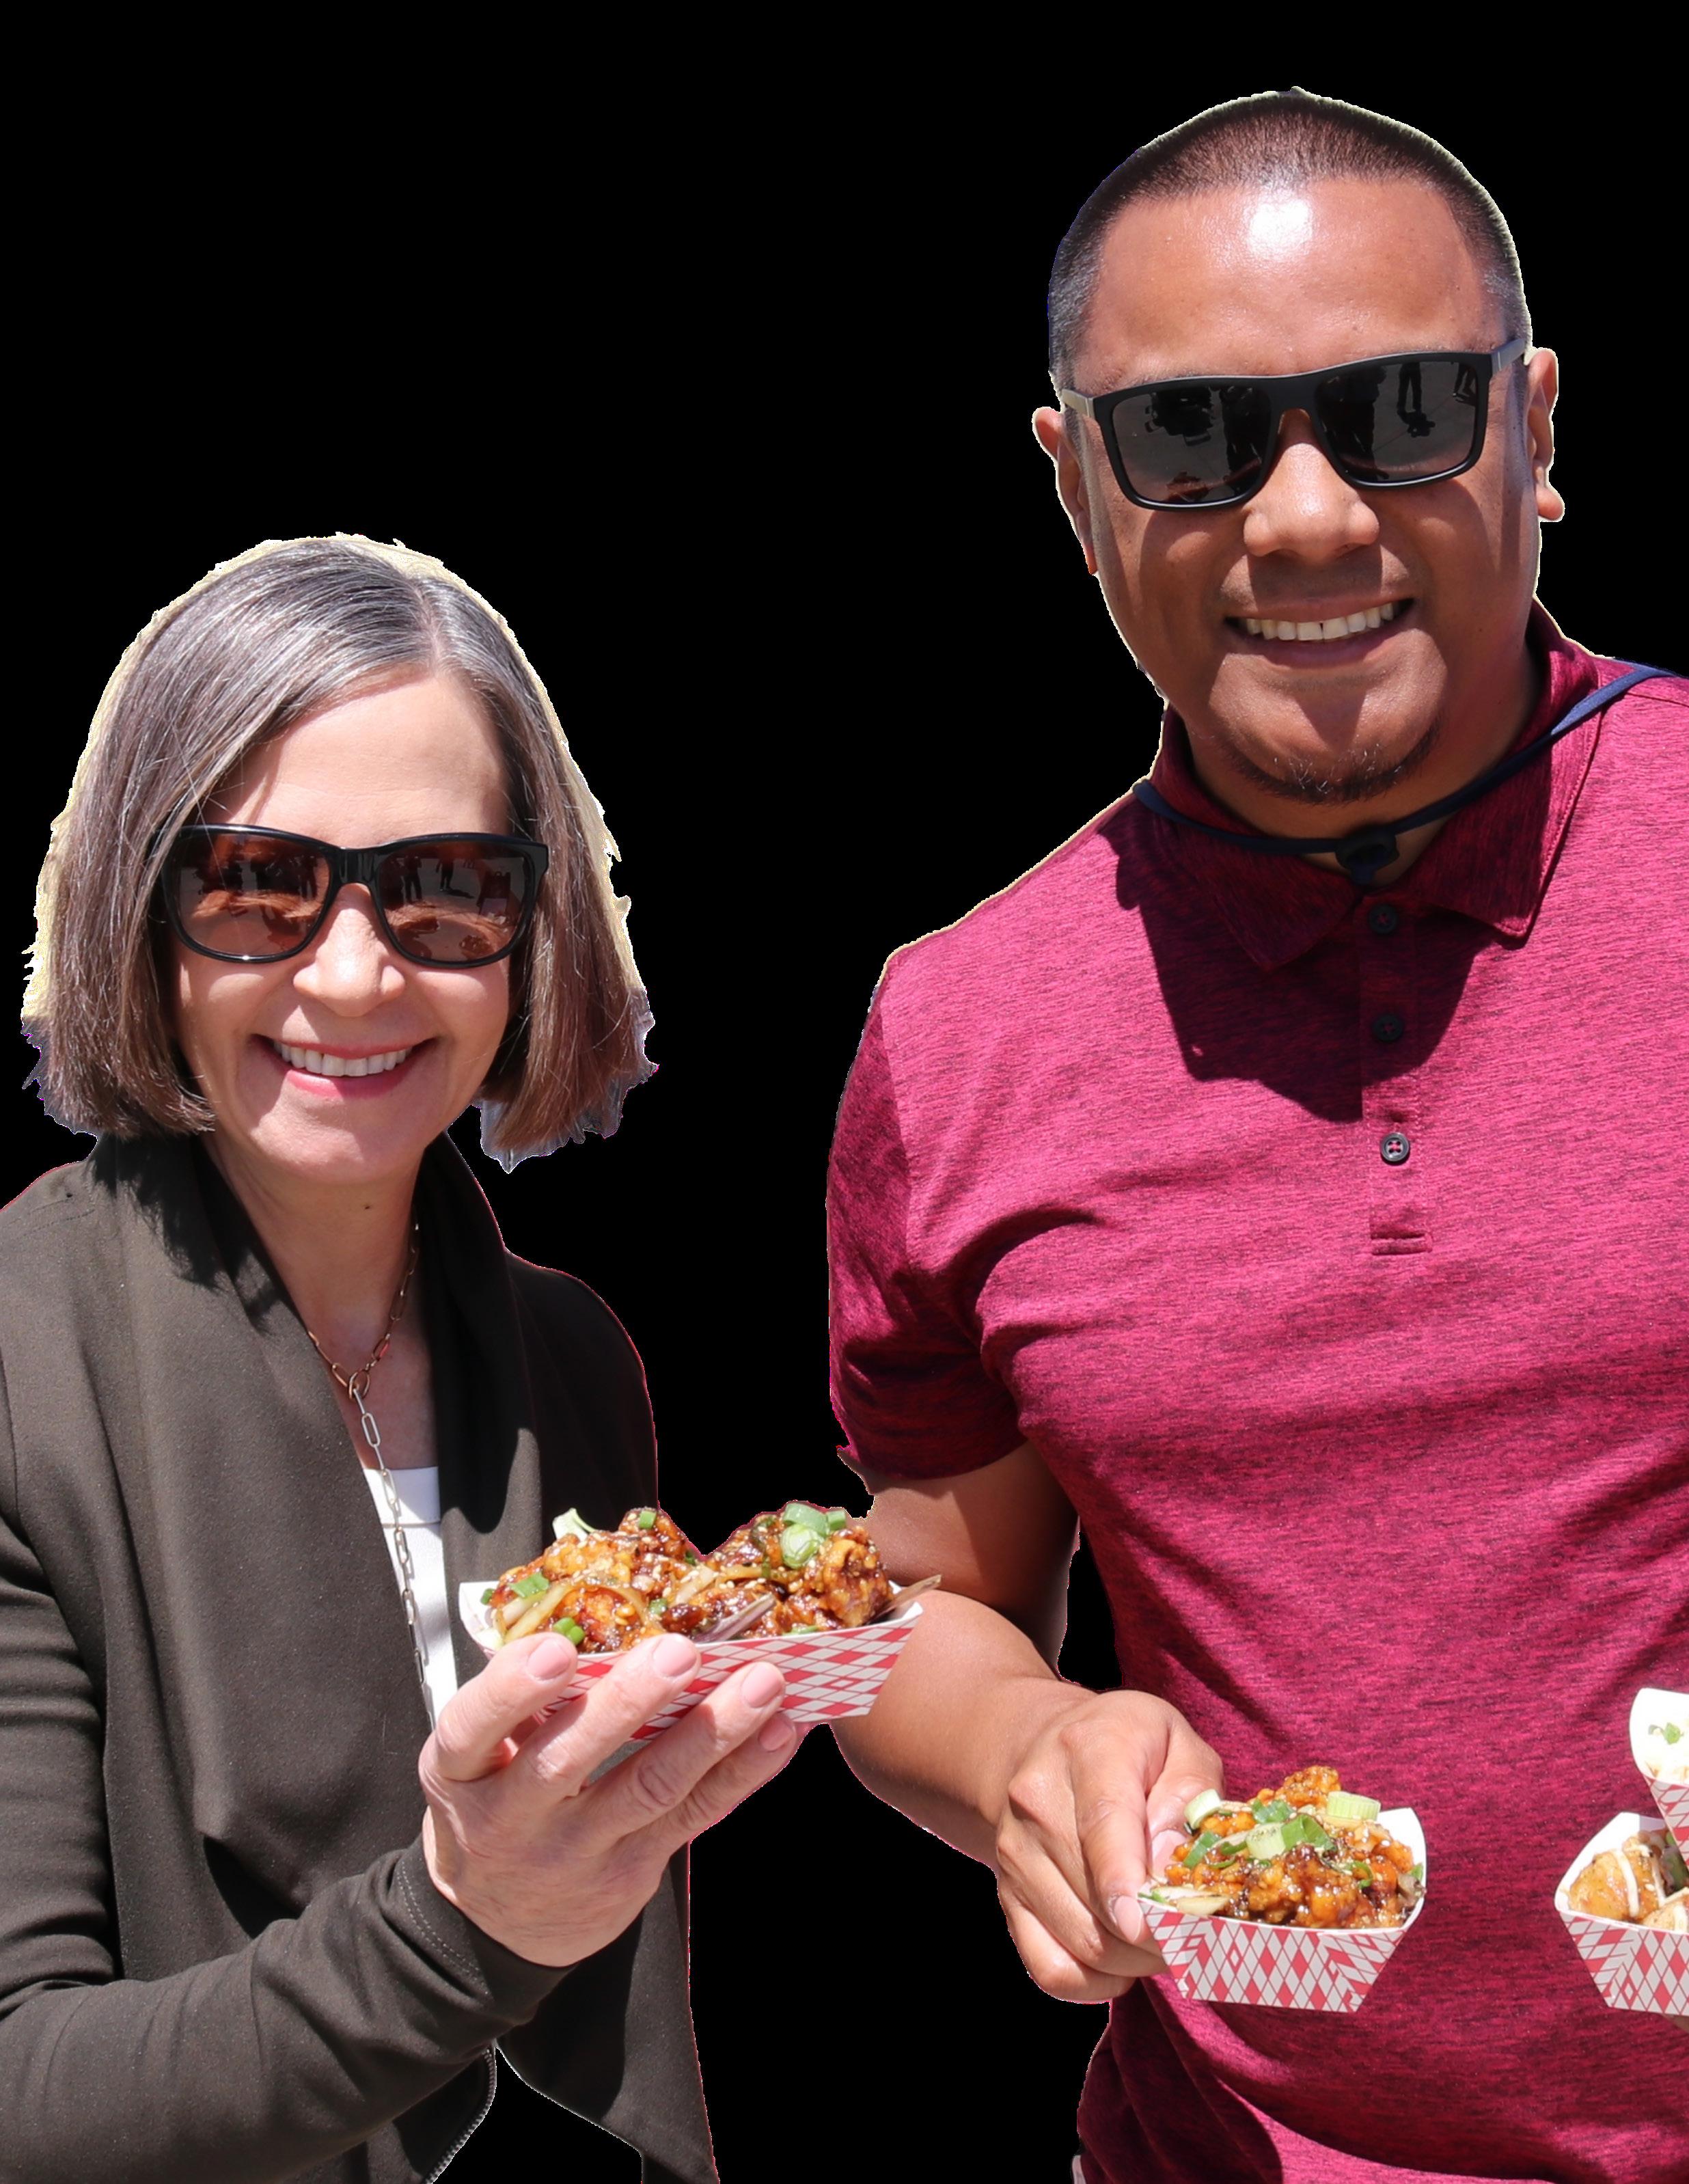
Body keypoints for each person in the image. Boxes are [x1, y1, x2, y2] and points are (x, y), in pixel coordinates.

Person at [825, 90, 1686, 2183]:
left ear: (1535, 429)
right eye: (1191, 439)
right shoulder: (958, 1026)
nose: (1302, 519)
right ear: (1075, 487)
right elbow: (925, 1595)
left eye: (1402, 413)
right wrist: (1029, 1742)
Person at [0, 536, 800, 2184]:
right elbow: (22, 2087)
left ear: (533, 927)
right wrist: (465, 1922)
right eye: (254, 882)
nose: (356, 972)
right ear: (142, 911)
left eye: (445, 887)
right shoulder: (22, 1359)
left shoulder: (573, 1358)